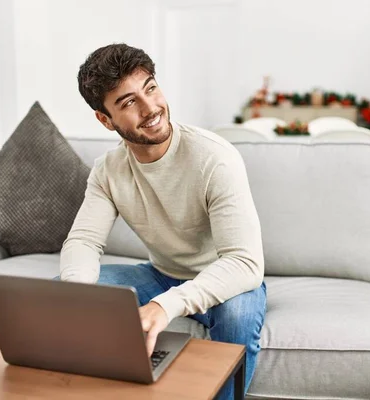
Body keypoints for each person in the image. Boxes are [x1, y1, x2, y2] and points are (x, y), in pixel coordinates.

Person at [59, 43, 267, 398]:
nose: (150, 108)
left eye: (151, 88)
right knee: (61, 299)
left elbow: (244, 263)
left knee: (237, 317)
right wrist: (79, 290)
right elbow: (83, 241)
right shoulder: (108, 171)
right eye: (128, 102)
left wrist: (164, 306)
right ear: (105, 119)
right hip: (159, 275)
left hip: (225, 278)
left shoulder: (215, 158)